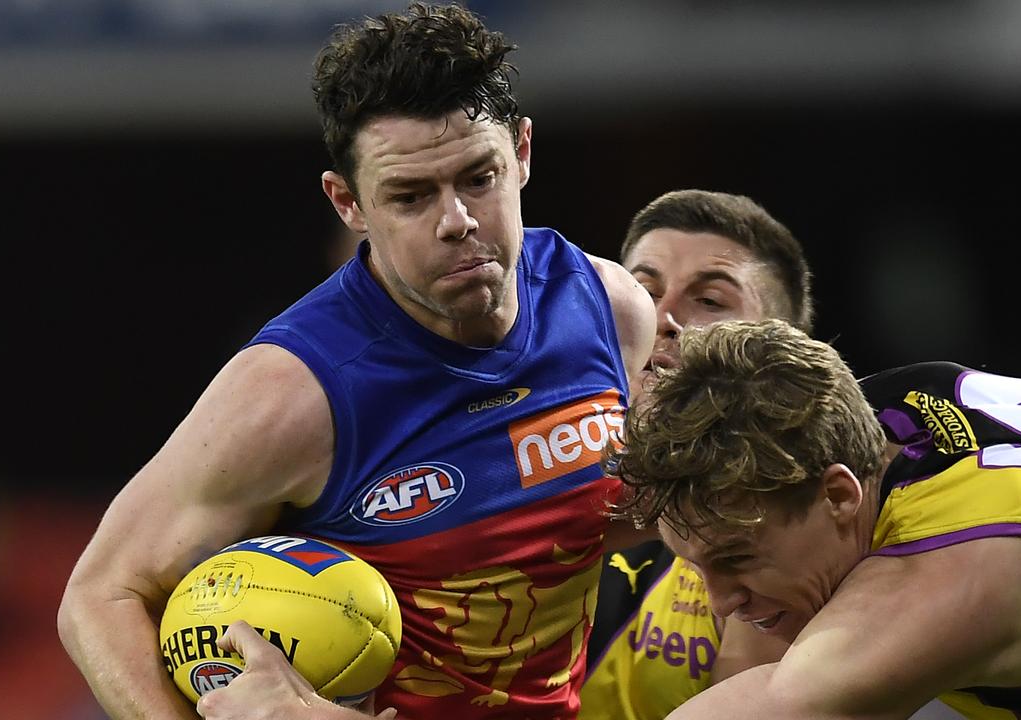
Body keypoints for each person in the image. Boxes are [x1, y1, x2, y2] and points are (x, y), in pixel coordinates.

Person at [56, 4, 655, 720]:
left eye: (478, 176)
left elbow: (583, 523)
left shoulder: (611, 309)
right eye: (409, 196)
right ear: (348, 203)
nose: (456, 220)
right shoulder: (291, 394)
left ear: (522, 154)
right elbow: (100, 595)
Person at [611, 318, 1021, 719]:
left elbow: (781, 704)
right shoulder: (858, 418)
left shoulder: (956, 572)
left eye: (736, 559)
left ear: (839, 496)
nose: (716, 601)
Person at [580, 191, 958, 720]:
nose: (662, 318)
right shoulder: (516, 467)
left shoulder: (813, 540)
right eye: (643, 292)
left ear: (777, 354)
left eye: (709, 302)